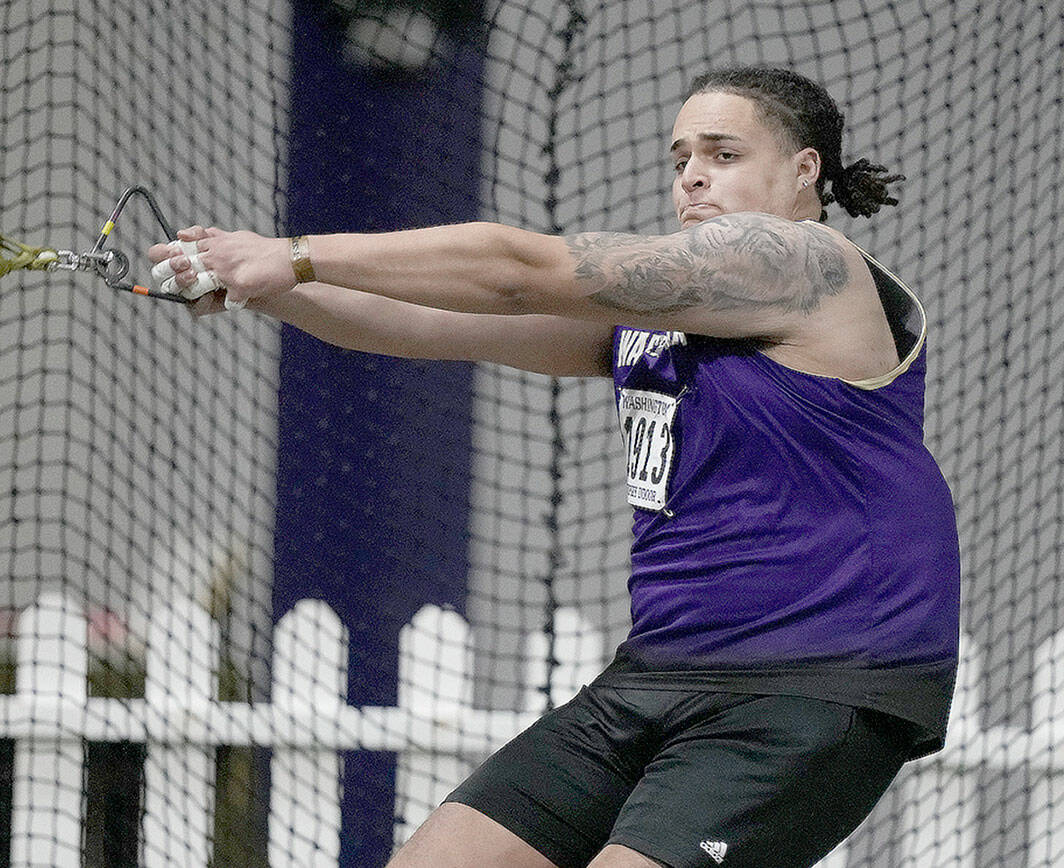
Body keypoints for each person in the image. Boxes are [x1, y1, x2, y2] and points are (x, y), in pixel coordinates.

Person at [149, 66, 959, 868]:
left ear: (804, 170)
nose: (693, 178)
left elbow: (512, 270)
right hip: (658, 677)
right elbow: (422, 324)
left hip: (809, 689)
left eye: (723, 154)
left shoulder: (799, 262)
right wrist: (255, 288)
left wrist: (291, 254)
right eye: (681, 160)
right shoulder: (661, 320)